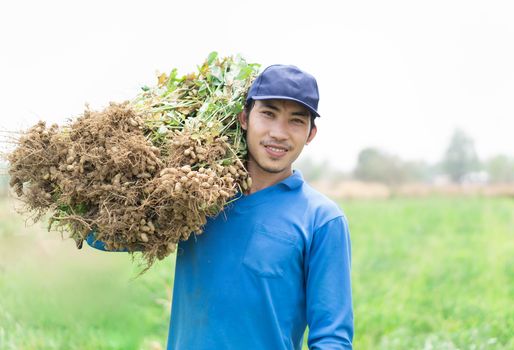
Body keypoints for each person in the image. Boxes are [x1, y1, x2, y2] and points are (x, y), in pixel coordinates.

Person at [88, 64, 354, 349]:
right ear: (244, 119)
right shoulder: (199, 199)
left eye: (296, 121)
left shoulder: (321, 220)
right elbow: (104, 237)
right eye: (268, 114)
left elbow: (332, 337)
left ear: (311, 133)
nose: (279, 133)